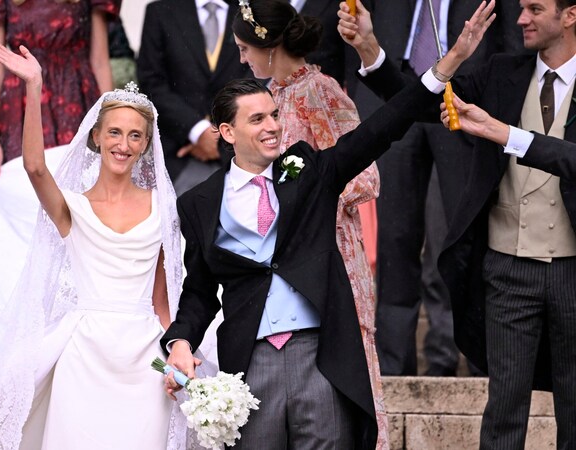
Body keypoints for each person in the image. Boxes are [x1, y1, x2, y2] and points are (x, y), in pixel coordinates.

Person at [162, 2, 494, 447]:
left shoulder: (306, 169)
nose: (273, 127)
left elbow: (385, 126)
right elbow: (199, 290)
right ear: (226, 132)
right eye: (257, 119)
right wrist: (180, 342)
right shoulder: (200, 203)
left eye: (274, 116)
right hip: (250, 359)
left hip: (320, 351)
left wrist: (449, 61)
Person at [340, 0, 576, 446]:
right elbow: (420, 104)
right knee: (503, 414)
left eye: (534, 9)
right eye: (521, 8)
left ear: (570, 15)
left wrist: (509, 135)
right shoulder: (502, 73)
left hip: (571, 269)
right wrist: (371, 49)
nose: (520, 18)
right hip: (509, 269)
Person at [0, 42, 187, 449]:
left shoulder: (163, 208)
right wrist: (34, 87)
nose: (123, 144)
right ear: (97, 137)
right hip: (83, 354)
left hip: (145, 357)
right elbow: (35, 167)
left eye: (135, 136)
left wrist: (177, 354)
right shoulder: (72, 207)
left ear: (145, 145)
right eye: (115, 133)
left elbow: (162, 302)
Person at [230, 0, 387, 445]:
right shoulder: (269, 98)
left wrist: (305, 195)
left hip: (329, 248)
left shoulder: (320, 91)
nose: (242, 59)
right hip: (282, 257)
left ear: (270, 45)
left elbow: (366, 176)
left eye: (245, 48)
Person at [339, 0, 523, 377]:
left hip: (465, 101)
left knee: (462, 235)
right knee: (395, 238)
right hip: (392, 97)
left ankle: (475, 360)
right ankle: (392, 366)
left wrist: (498, 105)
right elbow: (356, 31)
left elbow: (512, 38)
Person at [0, 0, 118, 177]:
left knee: (78, 182)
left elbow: (100, 62)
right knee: (20, 182)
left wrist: (110, 123)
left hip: (75, 100)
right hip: (22, 105)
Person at [136, 0, 251, 195]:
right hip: (177, 153)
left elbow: (259, 77)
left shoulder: (251, 11)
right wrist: (198, 131)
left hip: (239, 153)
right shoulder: (161, 11)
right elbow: (151, 82)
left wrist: (220, 137)